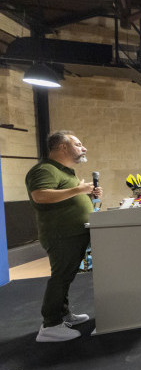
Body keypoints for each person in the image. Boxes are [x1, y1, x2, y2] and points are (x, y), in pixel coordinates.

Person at [26, 131, 103, 342]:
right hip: (61, 235)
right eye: (78, 144)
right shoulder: (45, 169)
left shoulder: (66, 172)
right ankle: (50, 325)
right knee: (60, 278)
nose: (83, 148)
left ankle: (63, 314)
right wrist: (79, 190)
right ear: (62, 147)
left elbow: (66, 197)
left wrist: (87, 194)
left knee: (66, 277)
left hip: (73, 233)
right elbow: (40, 195)